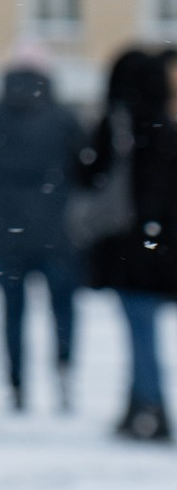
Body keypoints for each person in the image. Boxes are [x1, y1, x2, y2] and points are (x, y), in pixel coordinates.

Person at [0, 40, 84, 415]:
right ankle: (63, 368)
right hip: (57, 230)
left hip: (4, 229)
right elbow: (86, 173)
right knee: (62, 309)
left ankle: (16, 384)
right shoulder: (64, 119)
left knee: (12, 313)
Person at [74, 43, 177, 441]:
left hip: (129, 244)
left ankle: (150, 406)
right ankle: (140, 403)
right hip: (158, 243)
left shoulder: (119, 124)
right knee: (142, 326)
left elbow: (87, 172)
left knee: (138, 327)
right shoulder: (164, 127)